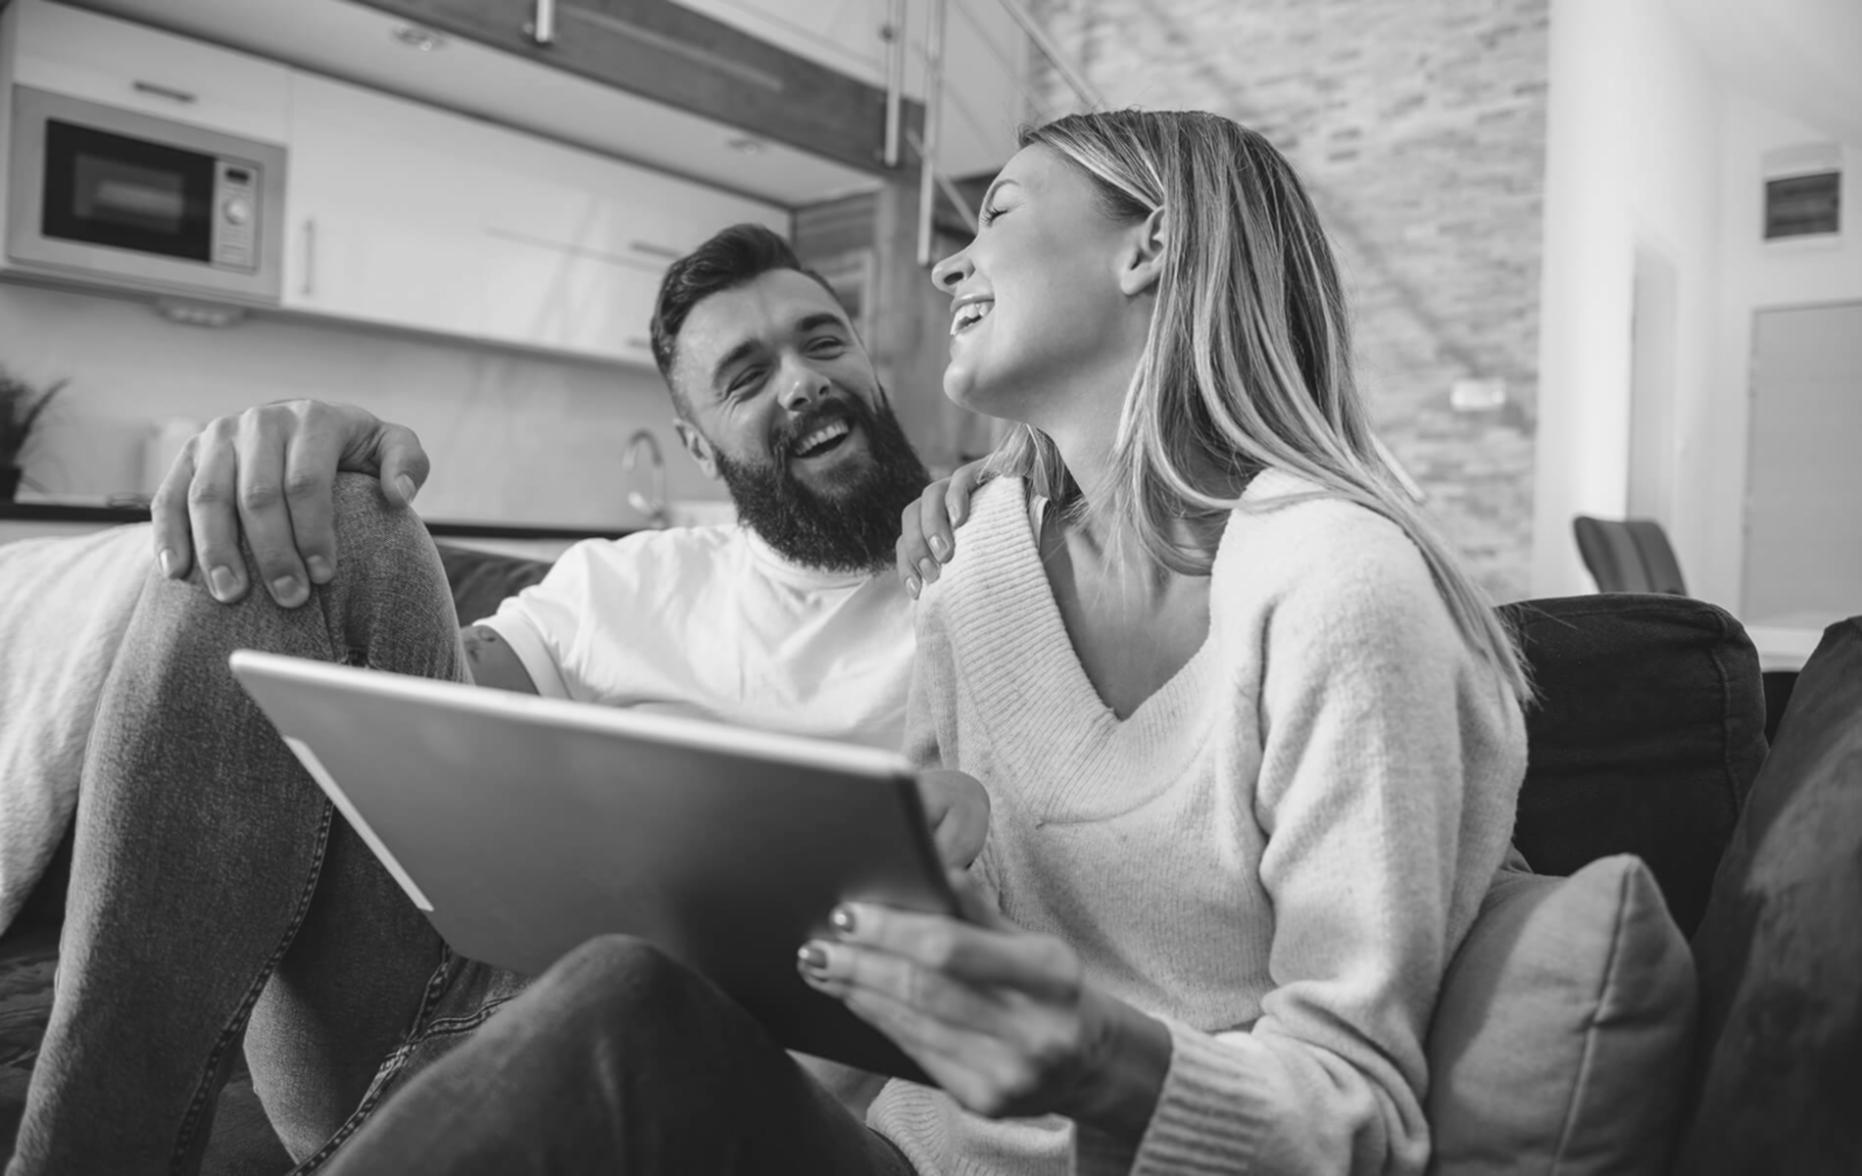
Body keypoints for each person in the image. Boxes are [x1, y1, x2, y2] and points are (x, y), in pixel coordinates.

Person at [306, 108, 1535, 1176]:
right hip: (893, 1152)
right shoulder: (979, 563)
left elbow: (1357, 1117)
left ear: (1148, 245)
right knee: (635, 997)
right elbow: (918, 975)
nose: (949, 266)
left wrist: (1097, 1058)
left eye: (995, 213)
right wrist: (915, 888)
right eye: (744, 375)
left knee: (626, 1015)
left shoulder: (1338, 590)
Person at [4, 224, 981, 1175]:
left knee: (640, 990)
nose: (801, 380)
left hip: (705, 1080)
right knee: (327, 518)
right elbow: (419, 705)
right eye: (747, 375)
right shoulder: (626, 581)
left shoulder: (992, 564)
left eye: (823, 342)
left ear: (870, 366)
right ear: (696, 444)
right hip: (428, 1008)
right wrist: (317, 468)